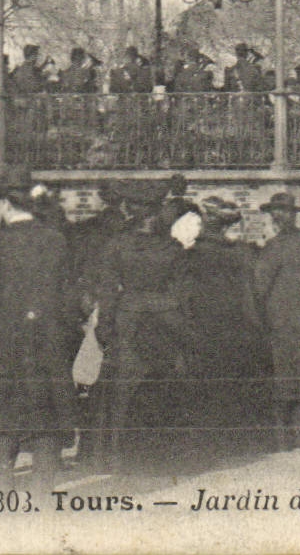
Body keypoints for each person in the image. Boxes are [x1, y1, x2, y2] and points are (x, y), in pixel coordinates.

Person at [0, 166, 80, 499]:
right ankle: (43, 489)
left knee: (4, 417)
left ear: (5, 205)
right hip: (48, 344)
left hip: (5, 347)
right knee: (47, 414)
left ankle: (2, 486)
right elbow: (69, 298)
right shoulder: (56, 242)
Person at [90, 184, 192, 473]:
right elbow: (183, 294)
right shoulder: (173, 249)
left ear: (132, 211)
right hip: (166, 321)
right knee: (165, 386)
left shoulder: (116, 245)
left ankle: (118, 457)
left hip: (129, 320)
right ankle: (162, 455)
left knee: (123, 390)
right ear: (156, 211)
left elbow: (108, 291)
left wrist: (105, 328)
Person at [177, 196, 269, 466]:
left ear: (207, 224)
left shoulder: (191, 255)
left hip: (202, 330)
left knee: (204, 386)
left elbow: (184, 296)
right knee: (233, 385)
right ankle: (236, 442)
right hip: (237, 329)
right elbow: (253, 295)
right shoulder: (242, 254)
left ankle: (208, 444)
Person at [251, 193, 300, 451]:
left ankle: (283, 440)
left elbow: (259, 287)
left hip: (280, 321)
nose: (277, 218)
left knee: (281, 378)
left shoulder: (273, 248)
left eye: (278, 213)